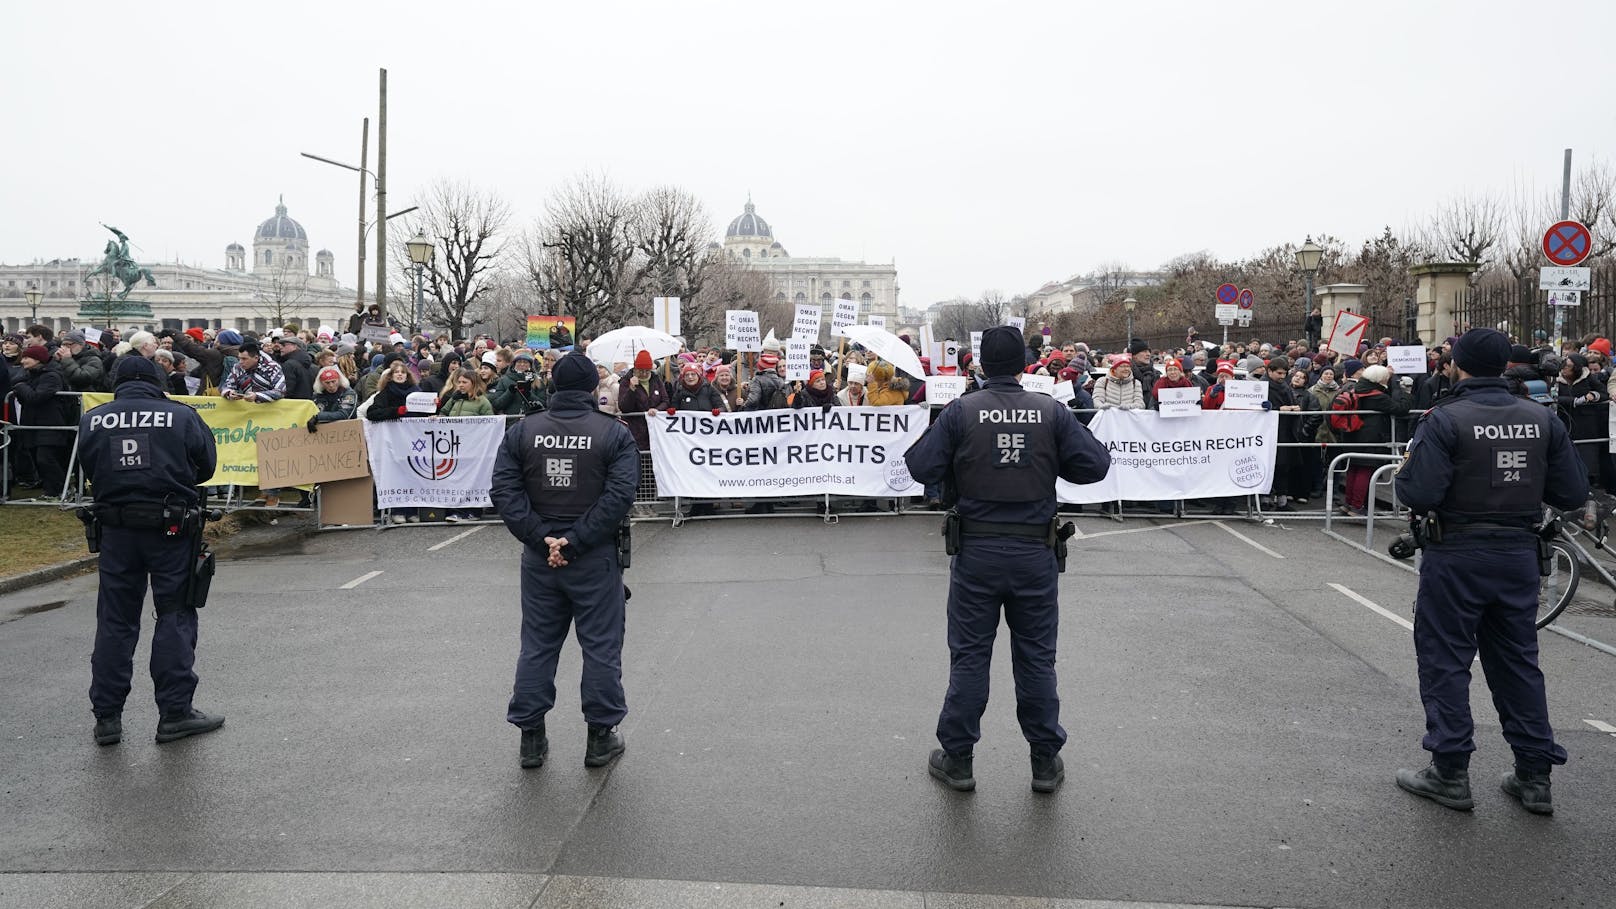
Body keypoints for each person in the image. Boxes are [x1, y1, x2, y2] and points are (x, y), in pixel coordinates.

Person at [903, 326, 1112, 794]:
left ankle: (958, 759)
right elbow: (1095, 466)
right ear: (1023, 364)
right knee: (1037, 659)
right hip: (1034, 552)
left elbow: (919, 467)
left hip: (976, 551)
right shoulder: (1052, 412)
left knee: (970, 657)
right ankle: (1044, 760)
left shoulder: (961, 411)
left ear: (980, 364)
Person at [1393, 328, 1587, 815]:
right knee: (1518, 662)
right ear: (1504, 366)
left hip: (1456, 553)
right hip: (1519, 556)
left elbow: (1419, 493)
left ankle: (1450, 772)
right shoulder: (1543, 419)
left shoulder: (1444, 419)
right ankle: (1534, 776)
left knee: (1445, 662)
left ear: (1457, 363)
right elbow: (1570, 493)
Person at [489, 351, 640, 770]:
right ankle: (599, 738)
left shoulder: (525, 430)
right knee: (601, 648)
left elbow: (504, 491)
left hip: (541, 559)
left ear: (553, 385)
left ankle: (531, 739)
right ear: (593, 387)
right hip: (592, 556)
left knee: (537, 646)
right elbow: (619, 498)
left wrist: (543, 540)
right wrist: (571, 542)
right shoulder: (612, 433)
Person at [76, 356, 222, 747]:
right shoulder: (181, 415)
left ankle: (107, 718)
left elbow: (88, 465)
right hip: (170, 528)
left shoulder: (95, 417)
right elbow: (206, 466)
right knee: (174, 614)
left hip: (116, 530)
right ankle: (174, 714)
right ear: (158, 382)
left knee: (115, 620)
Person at [12, 345, 72, 498]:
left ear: (37, 359)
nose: (23, 361)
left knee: (46, 458)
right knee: (39, 460)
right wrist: (21, 388)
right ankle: (51, 491)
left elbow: (36, 397)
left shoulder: (51, 376)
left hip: (51, 423)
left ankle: (61, 490)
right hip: (34, 424)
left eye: (27, 357)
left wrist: (21, 387)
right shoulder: (30, 375)